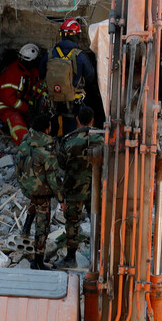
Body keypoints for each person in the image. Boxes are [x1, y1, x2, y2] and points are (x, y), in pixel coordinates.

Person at [57, 106, 102, 267]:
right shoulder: (102, 139)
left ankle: (70, 258)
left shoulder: (69, 140)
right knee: (99, 221)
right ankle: (102, 257)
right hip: (97, 188)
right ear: (92, 120)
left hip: (74, 188)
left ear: (77, 120)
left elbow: (61, 164)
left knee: (72, 222)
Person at [17, 114, 63, 270]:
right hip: (41, 193)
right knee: (42, 227)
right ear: (46, 129)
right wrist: (61, 199)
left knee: (33, 202)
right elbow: (53, 179)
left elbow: (18, 167)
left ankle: (26, 227)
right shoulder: (46, 151)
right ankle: (37, 261)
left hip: (27, 188)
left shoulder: (24, 144)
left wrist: (25, 185)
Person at [45, 18, 97, 135]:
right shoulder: (80, 56)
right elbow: (90, 77)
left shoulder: (50, 53)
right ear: (77, 36)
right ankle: (70, 149)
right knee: (72, 131)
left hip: (54, 100)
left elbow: (41, 73)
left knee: (55, 127)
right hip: (74, 102)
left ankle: (55, 149)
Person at [0, 44, 43, 145]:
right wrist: (27, 109)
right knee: (15, 119)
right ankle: (25, 143)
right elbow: (8, 99)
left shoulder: (31, 71)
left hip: (21, 104)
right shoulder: (13, 73)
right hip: (4, 106)